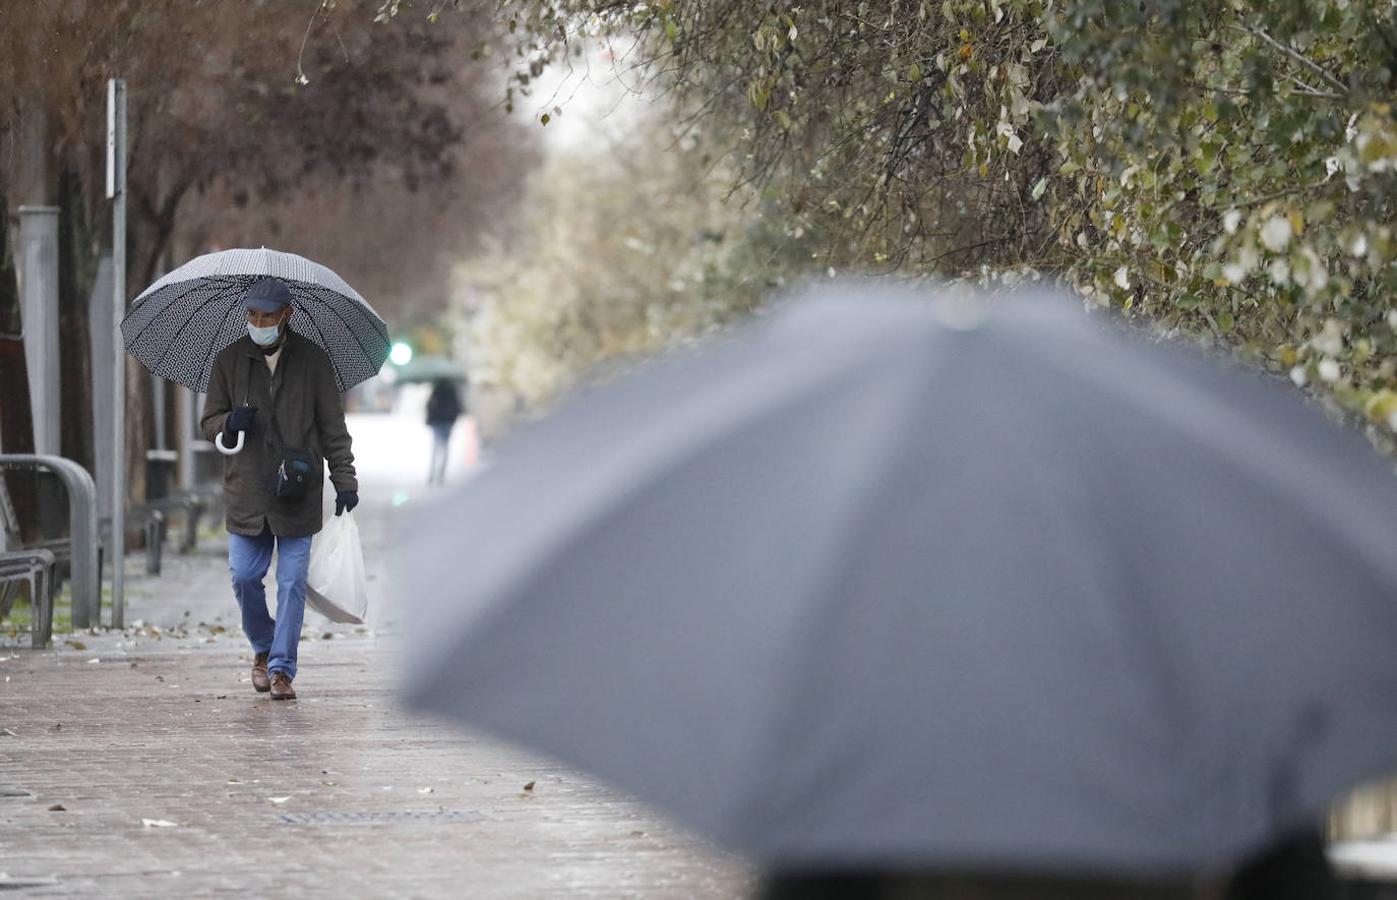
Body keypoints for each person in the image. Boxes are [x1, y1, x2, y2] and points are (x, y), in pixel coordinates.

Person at [200, 276, 358, 701]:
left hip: (298, 491)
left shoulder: (313, 361)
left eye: (266, 315)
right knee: (244, 576)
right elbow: (209, 420)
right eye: (252, 315)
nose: (258, 322)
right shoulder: (229, 361)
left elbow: (332, 427)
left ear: (286, 314)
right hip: (246, 491)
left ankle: (282, 670)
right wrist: (230, 423)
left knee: (291, 582)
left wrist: (344, 479)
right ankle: (263, 646)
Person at [425, 378, 464, 486]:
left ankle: (433, 474)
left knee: (437, 448)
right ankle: (440, 474)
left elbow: (429, 407)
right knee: (444, 448)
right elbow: (458, 408)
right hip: (446, 423)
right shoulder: (452, 391)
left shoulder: (436, 391)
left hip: (438, 422)